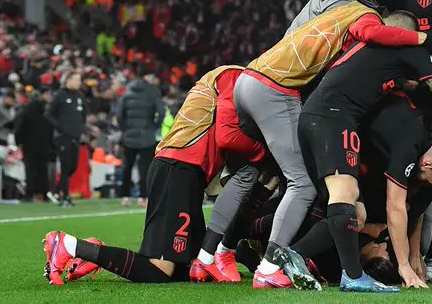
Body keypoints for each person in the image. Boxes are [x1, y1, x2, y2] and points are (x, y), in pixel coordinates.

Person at [231, 0, 432, 289]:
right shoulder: (363, 16)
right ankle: (275, 265)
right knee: (306, 187)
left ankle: (226, 250)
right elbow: (373, 32)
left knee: (332, 199)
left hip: (265, 81)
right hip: (283, 91)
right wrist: (422, 39)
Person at [42, 65, 269, 286]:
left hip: (186, 171)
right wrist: (265, 150)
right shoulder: (234, 76)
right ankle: (69, 245)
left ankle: (96, 253)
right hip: (178, 168)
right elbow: (227, 137)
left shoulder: (234, 80)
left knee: (189, 269)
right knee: (160, 271)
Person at [275, 36, 432, 293]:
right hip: (333, 118)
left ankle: (290, 256)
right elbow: (395, 205)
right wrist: (404, 266)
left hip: (320, 116)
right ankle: (352, 276)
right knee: (345, 194)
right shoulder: (412, 136)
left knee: (355, 213)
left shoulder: (384, 63)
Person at [115, 67, 165, 207]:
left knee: (127, 166)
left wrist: (125, 129)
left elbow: (119, 114)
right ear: (147, 77)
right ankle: (143, 197)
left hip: (128, 136)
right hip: (147, 136)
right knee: (146, 168)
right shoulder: (153, 91)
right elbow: (161, 113)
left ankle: (125, 196)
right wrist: (154, 127)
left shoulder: (127, 91)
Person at [44, 71, 86, 207]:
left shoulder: (80, 96)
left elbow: (83, 115)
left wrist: (80, 128)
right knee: (65, 166)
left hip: (75, 136)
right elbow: (48, 113)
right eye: (76, 79)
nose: (79, 82)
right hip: (63, 137)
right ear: (68, 80)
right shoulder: (59, 95)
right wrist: (61, 127)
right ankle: (65, 197)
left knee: (73, 167)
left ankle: (56, 191)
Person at [14, 88, 53, 202]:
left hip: (29, 145)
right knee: (43, 170)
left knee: (30, 170)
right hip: (44, 145)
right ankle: (44, 194)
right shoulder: (46, 111)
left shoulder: (26, 111)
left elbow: (20, 128)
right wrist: (51, 145)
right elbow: (51, 129)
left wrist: (18, 142)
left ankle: (29, 194)